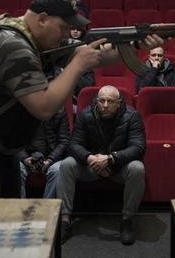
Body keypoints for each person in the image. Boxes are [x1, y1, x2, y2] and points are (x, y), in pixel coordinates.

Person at [0, 0, 161, 201]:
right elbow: (44, 107)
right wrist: (77, 66)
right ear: (43, 19)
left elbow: (93, 55)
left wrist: (135, 45)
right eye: (64, 27)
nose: (67, 34)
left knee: (2, 222)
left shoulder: (29, 35)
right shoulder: (12, 46)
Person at [57, 85, 145, 245]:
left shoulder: (132, 116)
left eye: (110, 101)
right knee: (66, 164)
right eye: (102, 101)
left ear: (119, 102)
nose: (105, 105)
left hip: (118, 166)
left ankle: (127, 220)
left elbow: (138, 147)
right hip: (92, 165)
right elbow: (74, 144)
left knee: (137, 168)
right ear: (97, 101)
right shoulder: (85, 115)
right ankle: (64, 220)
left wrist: (111, 159)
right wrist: (89, 158)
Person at [16, 69, 70, 199]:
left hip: (51, 157)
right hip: (27, 157)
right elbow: (14, 140)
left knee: (57, 171)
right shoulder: (21, 112)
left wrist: (50, 160)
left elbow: (64, 141)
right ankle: (19, 213)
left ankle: (47, 211)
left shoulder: (59, 112)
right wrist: (25, 159)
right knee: (17, 169)